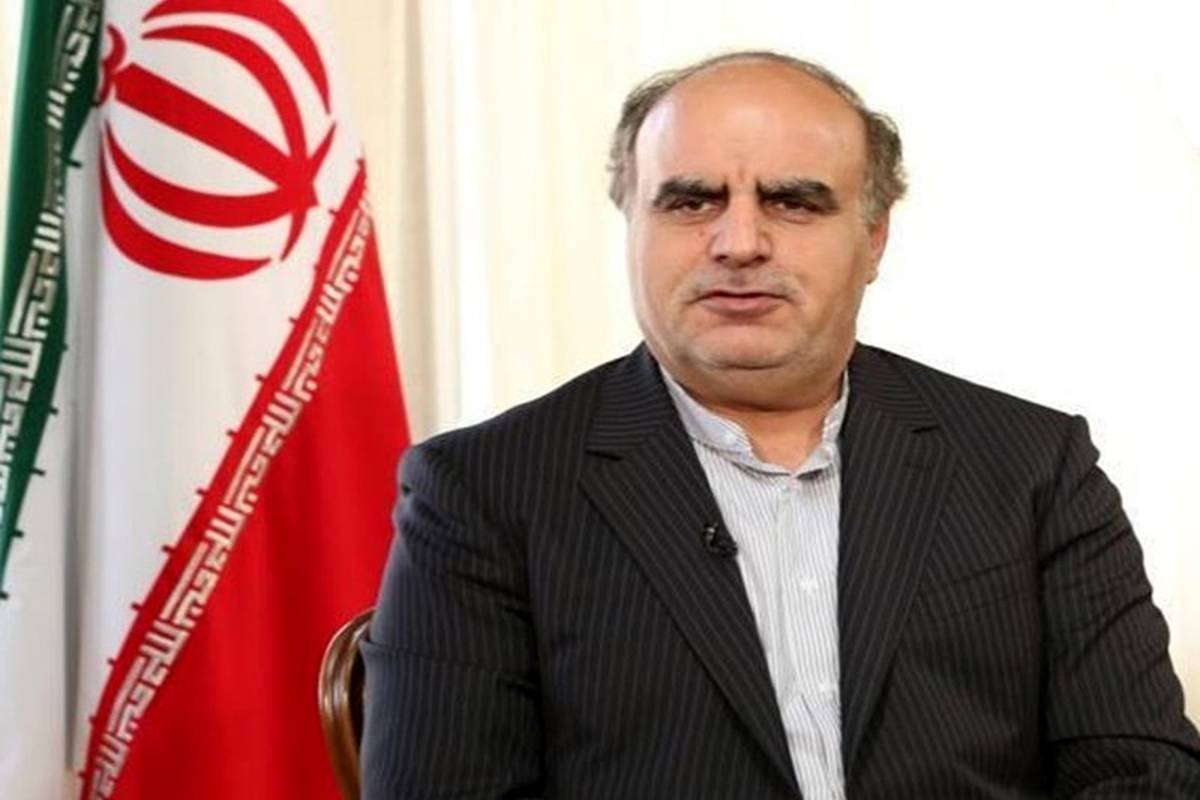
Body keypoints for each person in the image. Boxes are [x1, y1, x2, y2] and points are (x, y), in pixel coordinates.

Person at [360, 50, 1200, 798]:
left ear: (874, 238)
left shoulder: (1033, 465)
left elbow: (1141, 771)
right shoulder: (482, 491)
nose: (739, 242)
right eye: (690, 201)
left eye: (794, 202)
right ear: (633, 226)